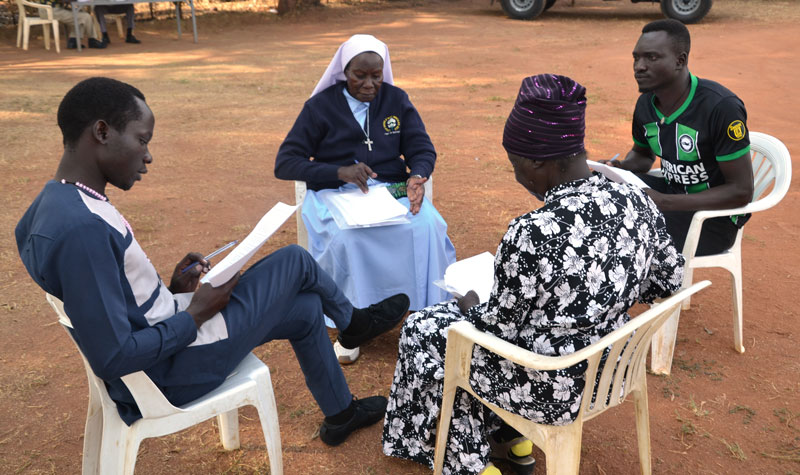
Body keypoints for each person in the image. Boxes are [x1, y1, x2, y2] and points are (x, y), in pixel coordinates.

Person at [15, 77, 411, 446]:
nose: (148, 156)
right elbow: (113, 355)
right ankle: (355, 324)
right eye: (142, 140)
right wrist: (195, 315)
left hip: (168, 338)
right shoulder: (82, 231)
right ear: (102, 132)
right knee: (293, 260)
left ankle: (340, 414)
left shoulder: (52, 205)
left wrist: (173, 291)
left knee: (307, 307)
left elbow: (112, 301)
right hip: (175, 370)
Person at [381, 74, 685, 475]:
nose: (516, 176)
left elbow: (494, 334)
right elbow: (668, 281)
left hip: (551, 386)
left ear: (539, 160)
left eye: (516, 164)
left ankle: (469, 463)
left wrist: (472, 303)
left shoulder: (533, 231)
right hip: (611, 368)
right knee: (454, 331)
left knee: (424, 328)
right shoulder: (634, 198)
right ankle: (513, 439)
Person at [274, 34, 457, 362]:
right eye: (360, 75)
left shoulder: (397, 100)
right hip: (336, 192)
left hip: (390, 189)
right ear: (344, 71)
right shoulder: (320, 107)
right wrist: (338, 172)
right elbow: (285, 163)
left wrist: (418, 174)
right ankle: (353, 322)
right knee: (349, 238)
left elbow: (420, 146)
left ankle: (429, 315)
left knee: (426, 224)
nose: (370, 84)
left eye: (377, 75)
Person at [606, 19, 754, 256]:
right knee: (599, 190)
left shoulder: (720, 107)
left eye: (651, 57)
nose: (639, 66)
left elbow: (741, 191)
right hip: (672, 196)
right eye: (636, 58)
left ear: (680, 60)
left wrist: (664, 202)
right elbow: (643, 156)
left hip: (713, 220)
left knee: (620, 228)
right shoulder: (646, 102)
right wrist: (619, 167)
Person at [31, 0, 106, 49]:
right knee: (85, 16)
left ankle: (73, 41)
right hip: (50, 11)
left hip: (50, 10)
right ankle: (92, 40)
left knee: (79, 14)